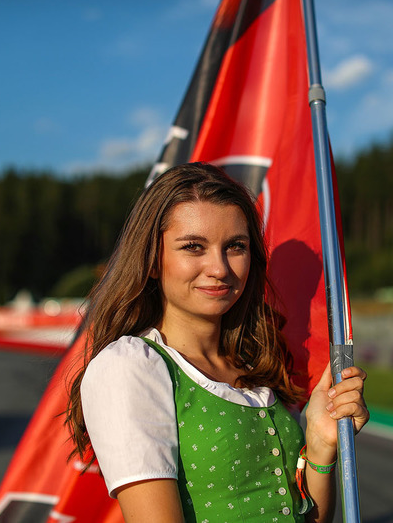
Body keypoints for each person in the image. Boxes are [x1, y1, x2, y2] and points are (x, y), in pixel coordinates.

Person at [65, 162, 369, 523]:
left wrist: (321, 448)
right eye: (193, 247)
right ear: (151, 260)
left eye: (235, 246)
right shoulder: (129, 367)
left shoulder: (258, 367)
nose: (220, 268)